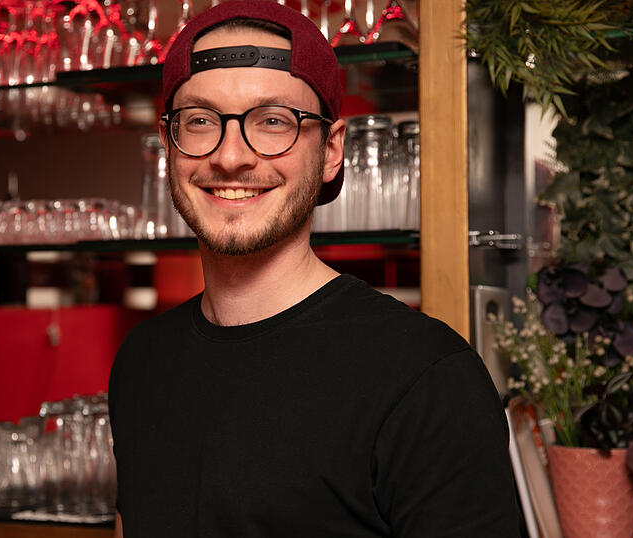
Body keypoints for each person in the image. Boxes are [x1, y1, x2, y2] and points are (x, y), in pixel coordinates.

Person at [108, 1, 521, 536]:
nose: (230, 157)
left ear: (330, 151)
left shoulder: (427, 378)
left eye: (272, 121)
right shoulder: (142, 361)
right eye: (201, 121)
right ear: (169, 143)